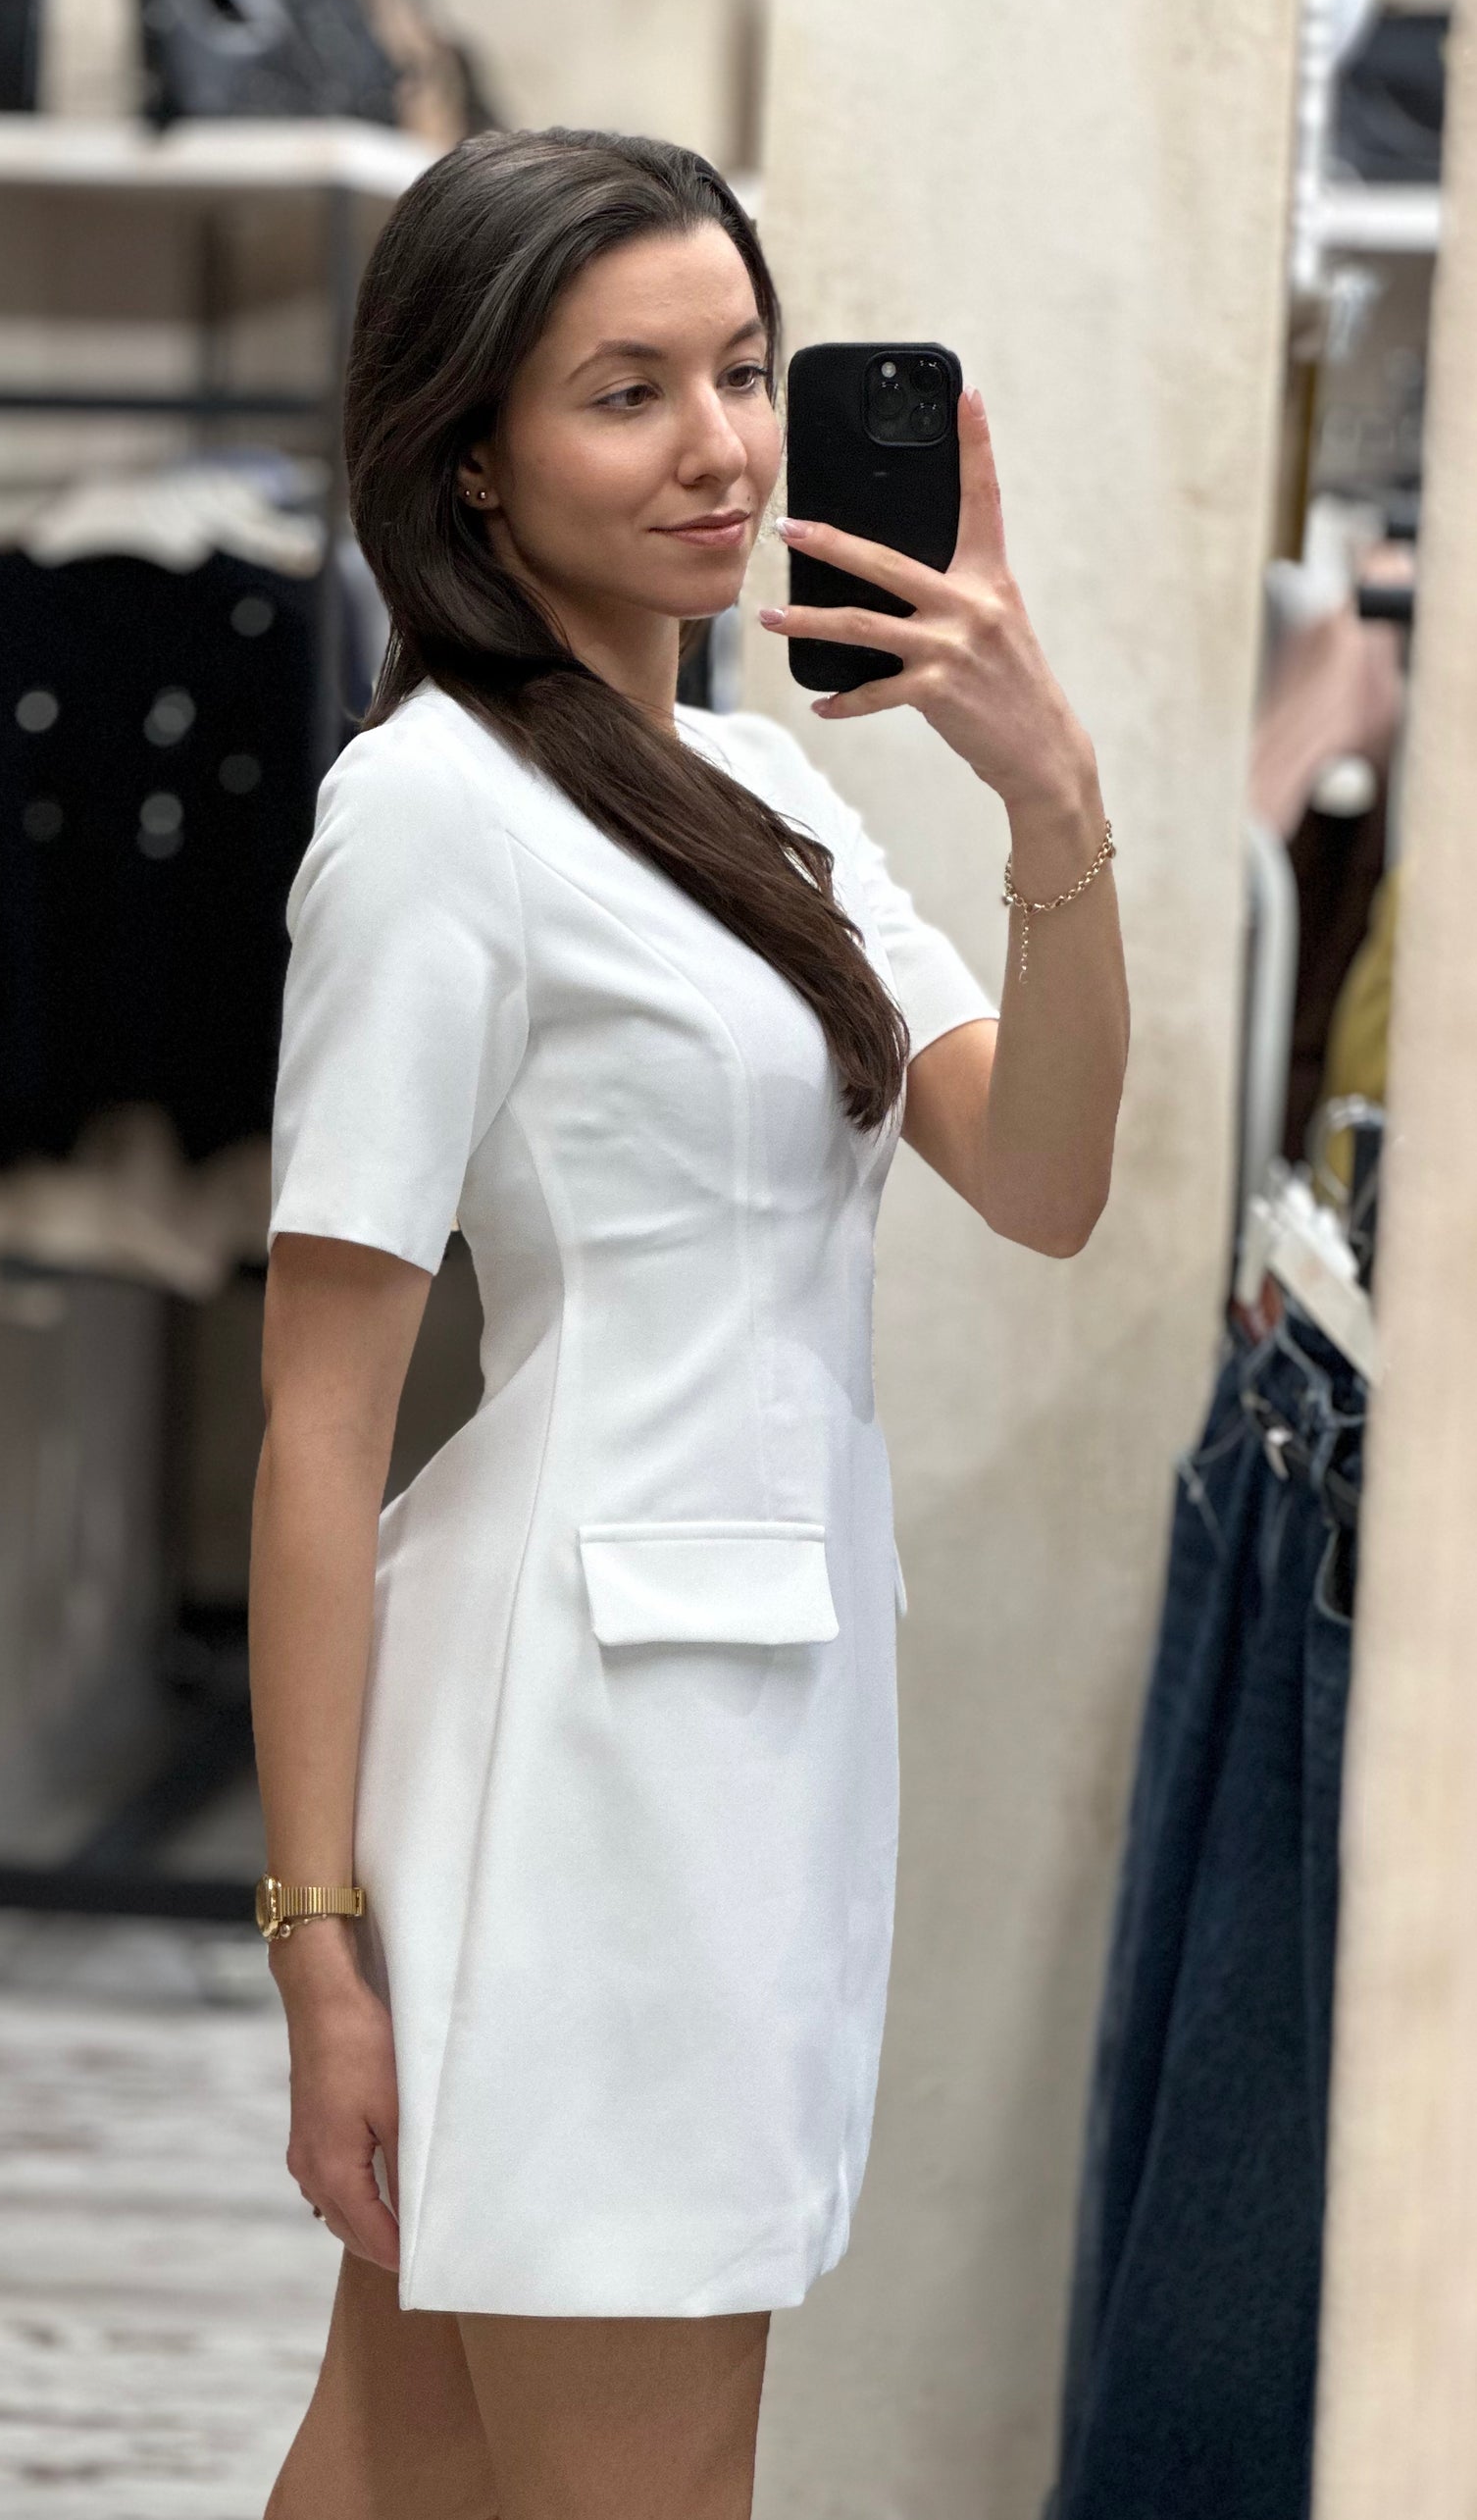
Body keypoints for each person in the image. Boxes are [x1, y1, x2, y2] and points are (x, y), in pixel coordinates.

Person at [251, 127, 1128, 2520]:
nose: (722, 445)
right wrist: (316, 1941)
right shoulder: (429, 815)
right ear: (472, 459)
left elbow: (1041, 1174)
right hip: (584, 1763)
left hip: (741, 1725)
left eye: (742, 369)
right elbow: (320, 1419)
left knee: (406, 2466)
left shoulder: (759, 792)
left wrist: (1046, 791)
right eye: (624, 392)